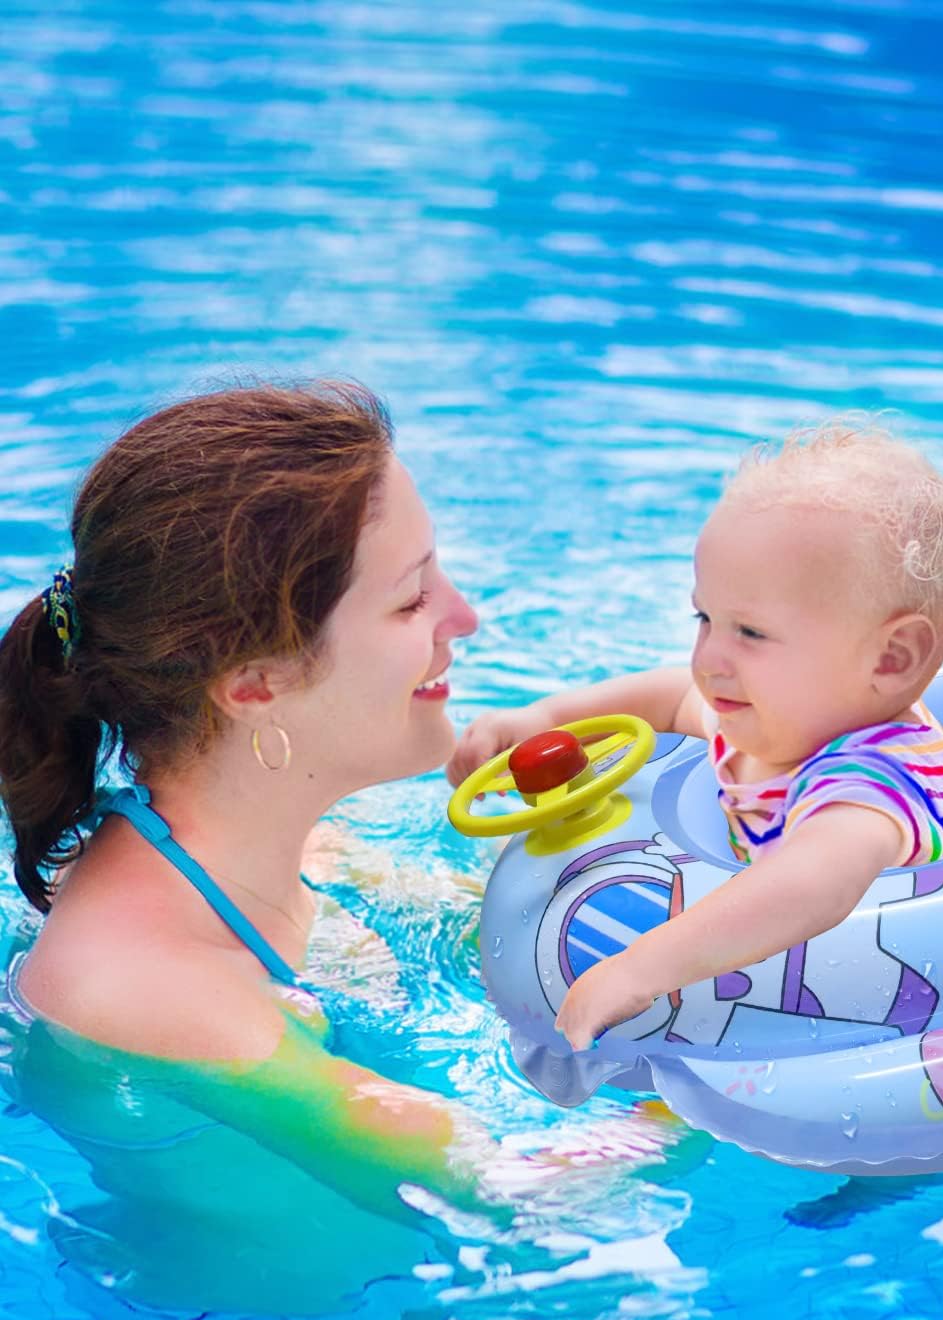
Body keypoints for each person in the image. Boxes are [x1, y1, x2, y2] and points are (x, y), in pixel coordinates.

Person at [0, 379, 676, 1225]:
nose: (464, 617)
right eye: (412, 599)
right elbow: (513, 1189)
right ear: (256, 685)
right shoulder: (150, 991)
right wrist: (728, 1084)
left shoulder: (291, 846)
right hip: (312, 1312)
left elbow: (501, 947)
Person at [448, 418, 943, 1051]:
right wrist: (543, 720)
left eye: (750, 632)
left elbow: (807, 888)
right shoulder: (780, 715)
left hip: (894, 1000)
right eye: (705, 618)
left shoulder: (872, 788)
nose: (709, 660)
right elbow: (673, 697)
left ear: (891, 658)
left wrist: (639, 969)